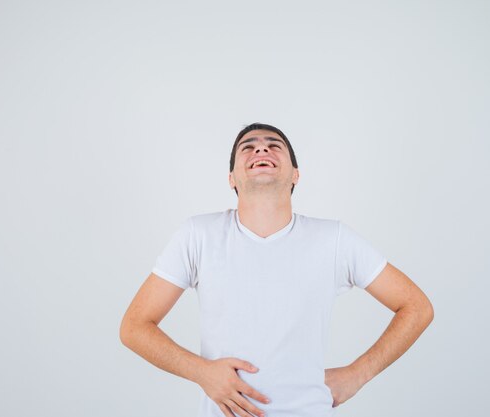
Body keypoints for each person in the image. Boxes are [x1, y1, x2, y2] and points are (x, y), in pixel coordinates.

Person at [119, 122, 434, 417]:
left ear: (295, 174)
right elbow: (134, 327)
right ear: (232, 178)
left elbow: (417, 307)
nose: (260, 150)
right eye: (248, 147)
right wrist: (202, 372)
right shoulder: (198, 235)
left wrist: (357, 374)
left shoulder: (334, 239)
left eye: (273, 145)